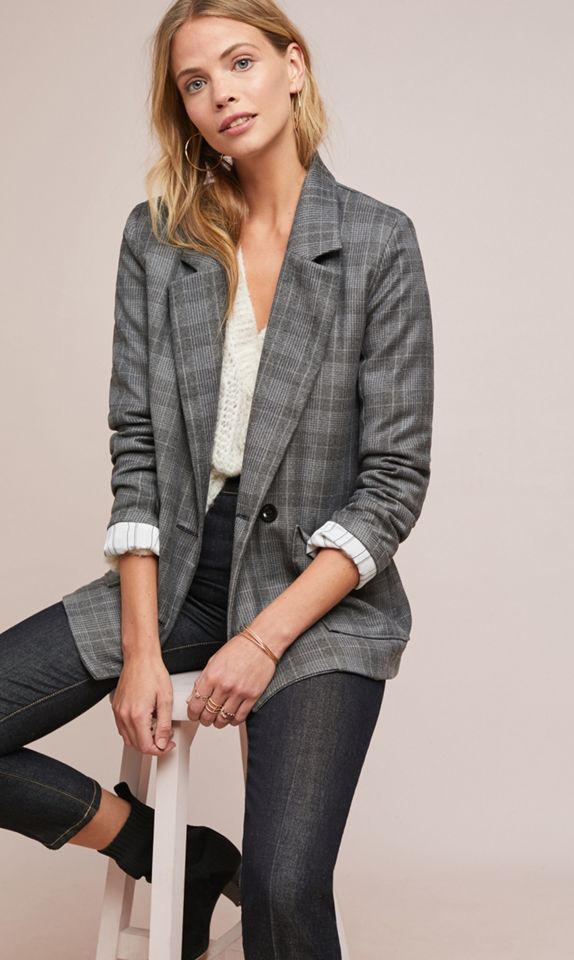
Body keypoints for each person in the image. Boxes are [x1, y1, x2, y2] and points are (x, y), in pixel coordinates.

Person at [0, 2, 434, 958]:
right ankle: (179, 859)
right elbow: (137, 448)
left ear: (293, 66)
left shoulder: (377, 242)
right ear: (183, 108)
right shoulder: (158, 239)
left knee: (282, 890)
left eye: (240, 63)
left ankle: (231, 876)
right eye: (195, 82)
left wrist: (263, 640)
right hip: (181, 569)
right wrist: (142, 648)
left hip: (318, 592)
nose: (222, 94)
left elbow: (394, 481)